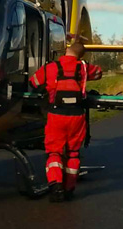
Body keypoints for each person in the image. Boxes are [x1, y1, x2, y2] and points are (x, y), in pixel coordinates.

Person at [29, 41, 103, 201]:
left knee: (54, 152)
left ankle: (56, 186)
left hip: (56, 115)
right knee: (73, 153)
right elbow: (98, 73)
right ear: (81, 55)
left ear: (66, 50)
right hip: (77, 116)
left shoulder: (51, 67)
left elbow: (33, 82)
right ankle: (69, 189)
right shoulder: (83, 67)